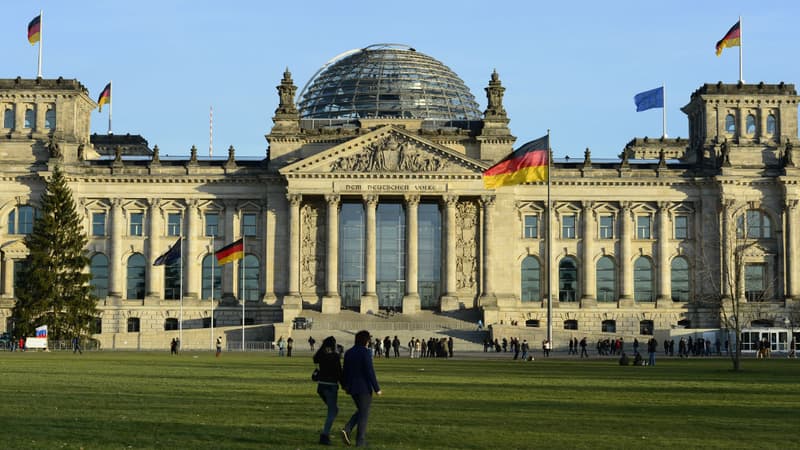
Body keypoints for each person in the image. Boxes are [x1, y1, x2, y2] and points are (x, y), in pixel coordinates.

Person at [341, 330, 382, 448]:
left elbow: (345, 370)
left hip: (352, 387)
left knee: (362, 411)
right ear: (366, 340)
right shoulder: (365, 352)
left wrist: (344, 385)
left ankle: (348, 429)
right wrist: (377, 388)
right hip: (363, 387)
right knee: (364, 413)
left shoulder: (349, 352)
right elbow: (369, 371)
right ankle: (360, 440)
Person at [314, 336, 343, 446]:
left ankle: (326, 432)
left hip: (321, 387)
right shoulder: (335, 356)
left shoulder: (321, 355)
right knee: (332, 411)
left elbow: (315, 358)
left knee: (334, 410)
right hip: (331, 387)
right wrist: (345, 385)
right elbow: (339, 373)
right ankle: (324, 435)